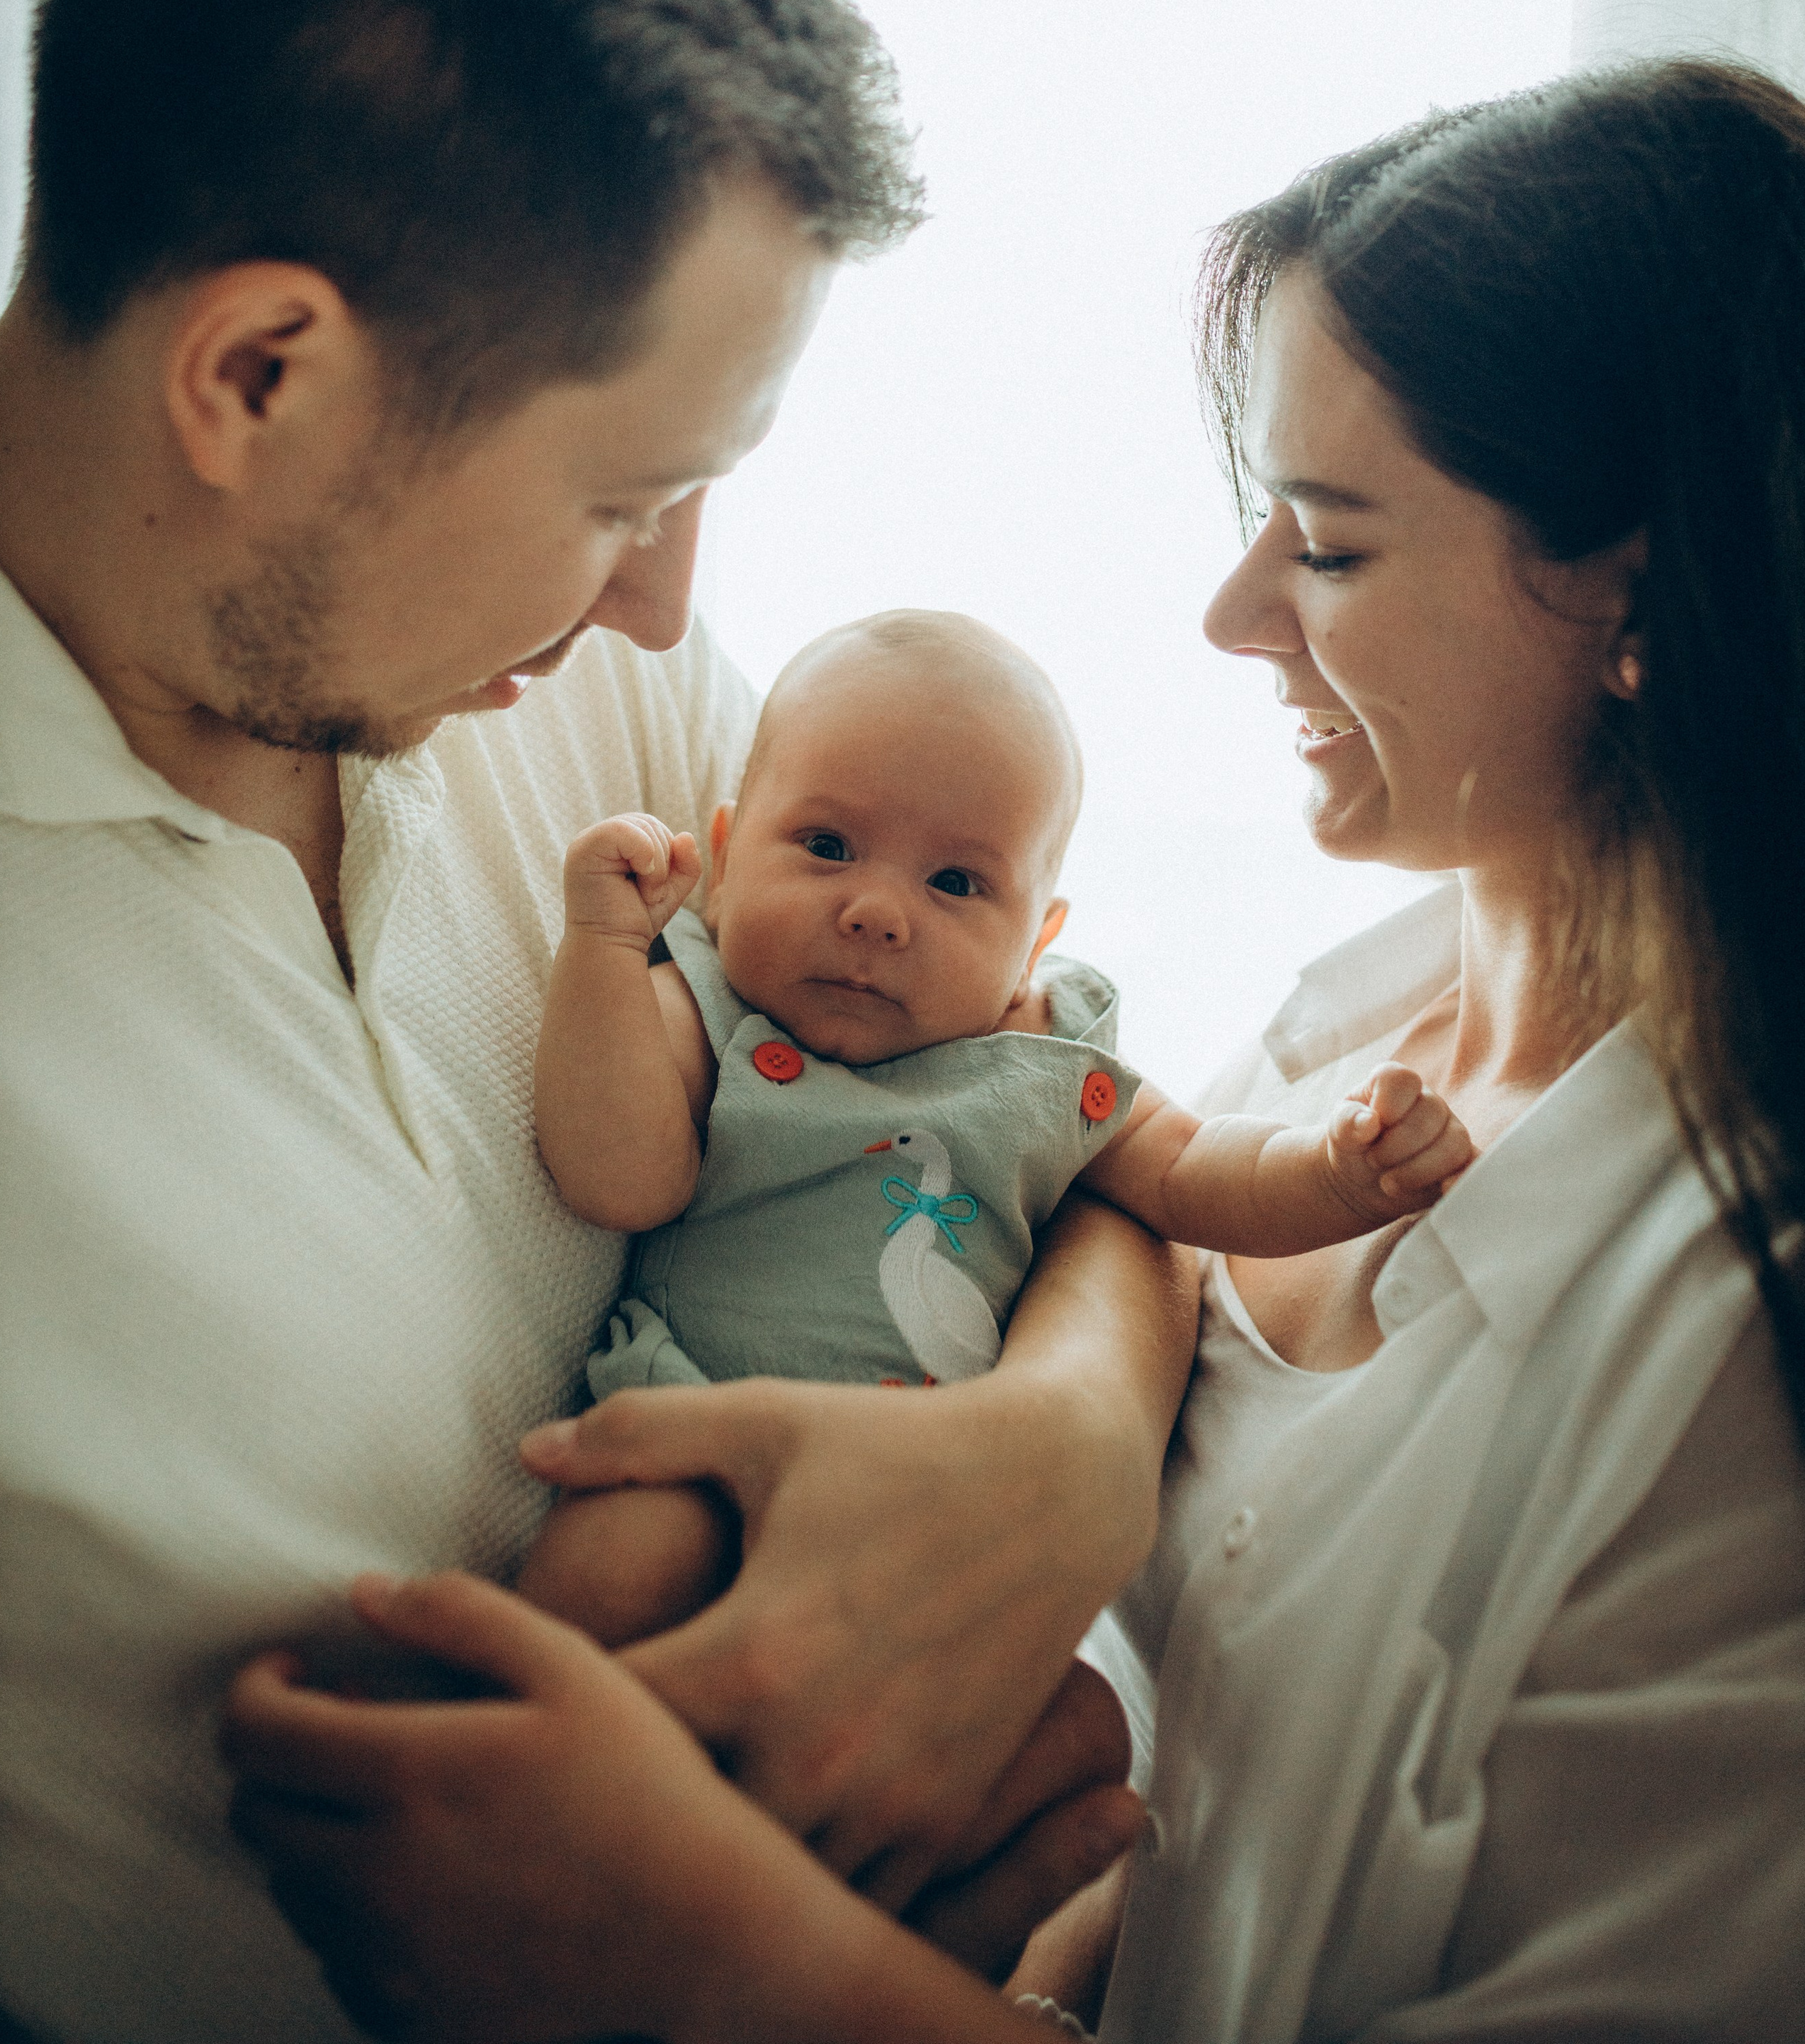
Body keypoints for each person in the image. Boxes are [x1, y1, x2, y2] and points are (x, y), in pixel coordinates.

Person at [226, 58, 1805, 2040]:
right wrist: (1063, 1435)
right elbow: (1108, 1177)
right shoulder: (1349, 1021)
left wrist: (731, 1957)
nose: (1236, 613)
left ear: (1640, 598)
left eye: (1327, 546)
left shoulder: (1739, 1341)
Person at [0, 0, 1197, 2044]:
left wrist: (1064, 1456)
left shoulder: (603, 698)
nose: (673, 599)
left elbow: (1030, 1106)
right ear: (261, 377)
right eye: (625, 495)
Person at [519, 609, 1470, 1645]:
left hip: (942, 1519)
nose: (878, 911)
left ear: (1037, 940)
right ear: (727, 850)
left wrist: (1333, 1171)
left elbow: (1196, 1169)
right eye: (828, 847)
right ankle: (490, 1752)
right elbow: (621, 1179)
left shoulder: (1044, 1066)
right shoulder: (707, 1002)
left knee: (1080, 1736)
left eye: (957, 883)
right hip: (698, 1433)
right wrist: (604, 950)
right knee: (612, 1573)